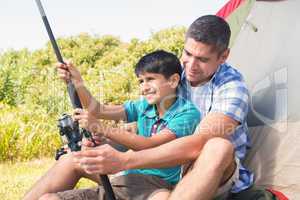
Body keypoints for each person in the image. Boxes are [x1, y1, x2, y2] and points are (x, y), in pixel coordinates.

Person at [72, 15, 254, 200]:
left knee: (218, 147)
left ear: (223, 56)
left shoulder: (232, 88)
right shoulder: (174, 77)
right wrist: (77, 84)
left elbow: (198, 144)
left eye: (202, 59)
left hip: (207, 172)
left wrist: (124, 161)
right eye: (188, 54)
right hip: (165, 170)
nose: (191, 66)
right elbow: (116, 114)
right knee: (71, 160)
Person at [23, 50, 200, 200]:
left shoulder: (186, 113)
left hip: (156, 186)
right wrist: (77, 81)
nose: (144, 87)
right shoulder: (143, 106)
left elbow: (150, 145)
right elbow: (97, 108)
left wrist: (102, 128)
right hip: (124, 181)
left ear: (173, 80)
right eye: (140, 81)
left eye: (150, 79)